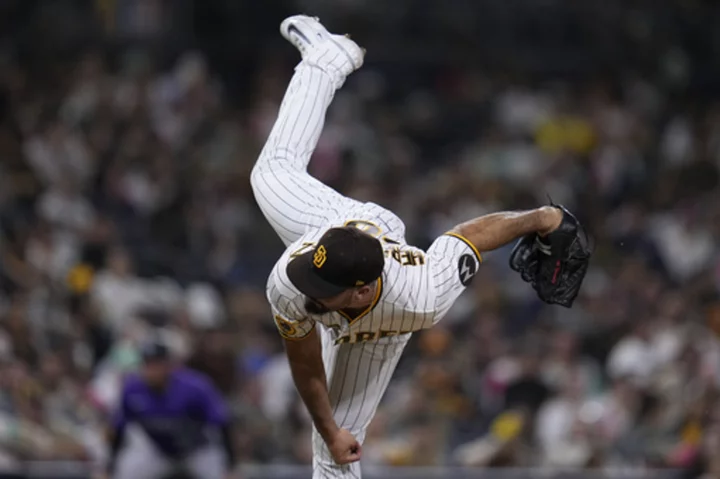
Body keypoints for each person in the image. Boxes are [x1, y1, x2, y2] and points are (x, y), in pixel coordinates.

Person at [250, 15, 566, 478]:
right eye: (310, 281)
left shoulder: (418, 297)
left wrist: (538, 219)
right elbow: (305, 364)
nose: (307, 291)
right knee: (270, 172)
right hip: (336, 229)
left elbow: (466, 237)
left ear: (358, 293)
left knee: (335, 449)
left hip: (380, 305)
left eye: (321, 288)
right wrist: (542, 218)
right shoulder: (290, 279)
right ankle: (326, 59)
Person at [106, 336, 235, 479]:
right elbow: (119, 429)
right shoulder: (133, 389)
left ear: (169, 365)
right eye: (147, 363)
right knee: (125, 471)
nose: (151, 369)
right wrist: (109, 468)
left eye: (156, 363)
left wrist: (231, 466)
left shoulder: (195, 386)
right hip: (159, 452)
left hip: (198, 451)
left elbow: (223, 424)